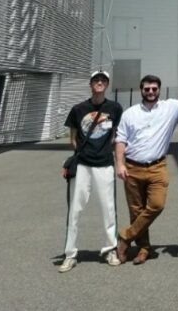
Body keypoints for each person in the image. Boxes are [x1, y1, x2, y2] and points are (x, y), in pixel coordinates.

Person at [114, 75, 178, 265]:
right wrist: (119, 163)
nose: (151, 92)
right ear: (141, 90)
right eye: (147, 89)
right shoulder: (130, 113)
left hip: (158, 166)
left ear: (159, 90)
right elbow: (120, 140)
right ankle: (144, 249)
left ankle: (125, 237)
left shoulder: (170, 107)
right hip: (132, 167)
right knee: (136, 210)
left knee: (157, 205)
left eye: (154, 89)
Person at [58, 70, 123, 273]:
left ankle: (110, 249)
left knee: (108, 209)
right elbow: (73, 137)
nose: (100, 83)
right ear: (91, 84)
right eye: (96, 80)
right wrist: (82, 153)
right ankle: (70, 254)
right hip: (83, 165)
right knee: (75, 210)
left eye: (103, 80)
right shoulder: (79, 109)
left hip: (105, 164)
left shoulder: (115, 108)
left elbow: (117, 135)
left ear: (107, 84)